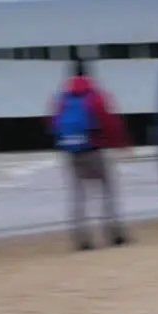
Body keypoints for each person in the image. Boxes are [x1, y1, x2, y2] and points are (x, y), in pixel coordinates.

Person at [48, 58, 132, 251]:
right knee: (107, 191)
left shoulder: (61, 98)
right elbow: (110, 122)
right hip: (94, 149)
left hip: (71, 151)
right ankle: (114, 233)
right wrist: (120, 143)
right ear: (89, 74)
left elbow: (53, 124)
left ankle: (82, 239)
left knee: (78, 195)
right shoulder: (96, 96)